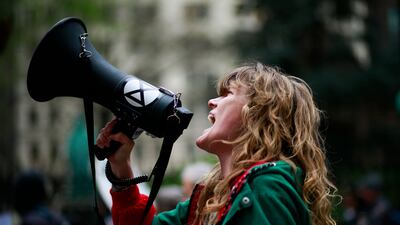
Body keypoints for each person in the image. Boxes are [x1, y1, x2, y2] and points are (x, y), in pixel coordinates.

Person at [96, 62, 339, 225]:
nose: (212, 102)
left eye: (228, 95)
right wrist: (121, 167)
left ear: (257, 115)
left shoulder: (266, 186)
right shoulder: (212, 197)